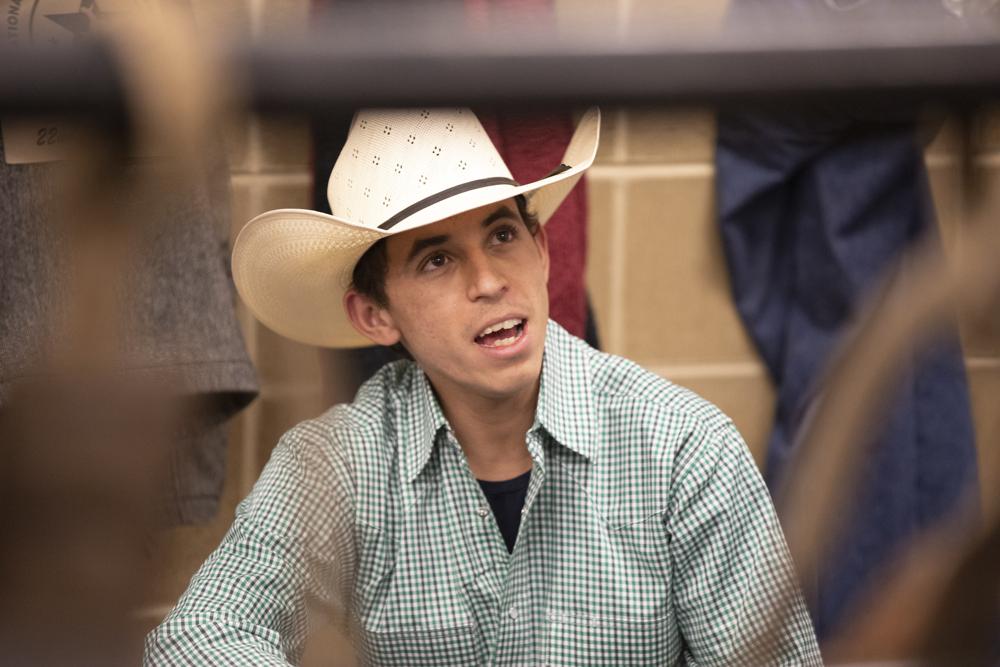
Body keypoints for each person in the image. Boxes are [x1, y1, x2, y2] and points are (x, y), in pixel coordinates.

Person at [145, 107, 823, 665]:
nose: (489, 280)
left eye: (503, 234)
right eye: (437, 258)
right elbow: (192, 638)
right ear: (375, 314)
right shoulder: (337, 464)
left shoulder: (684, 449)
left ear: (542, 249)